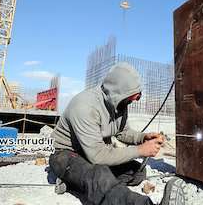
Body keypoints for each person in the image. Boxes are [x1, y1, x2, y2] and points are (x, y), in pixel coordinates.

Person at [49, 62, 184, 205]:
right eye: (133, 96)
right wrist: (140, 150)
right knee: (99, 174)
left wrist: (143, 137)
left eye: (137, 96)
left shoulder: (119, 103)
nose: (134, 100)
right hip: (66, 155)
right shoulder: (85, 106)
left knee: (136, 172)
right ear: (118, 92)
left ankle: (78, 183)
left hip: (91, 154)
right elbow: (98, 156)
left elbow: (123, 132)